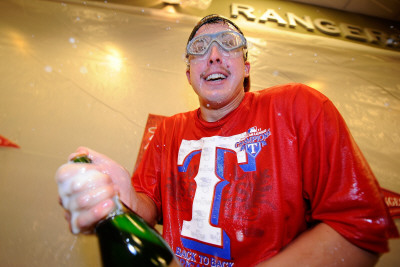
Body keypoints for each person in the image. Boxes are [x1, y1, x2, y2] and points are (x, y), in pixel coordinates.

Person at [56, 14, 398, 266]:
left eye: (229, 45)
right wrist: (123, 199)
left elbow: (358, 228)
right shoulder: (168, 131)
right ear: (189, 73)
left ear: (246, 66)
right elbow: (148, 207)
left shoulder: (299, 108)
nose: (215, 55)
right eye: (200, 48)